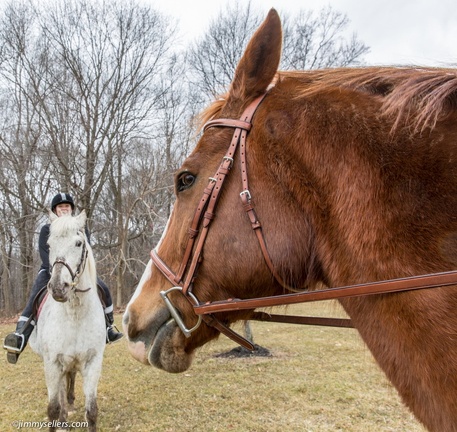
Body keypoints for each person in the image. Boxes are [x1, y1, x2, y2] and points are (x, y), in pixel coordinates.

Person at [4, 193, 123, 364]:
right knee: (34, 297)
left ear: (71, 209)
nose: (64, 208)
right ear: (55, 210)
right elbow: (45, 253)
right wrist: (56, 271)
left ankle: (109, 327)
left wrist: (75, 271)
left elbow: (85, 252)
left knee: (103, 289)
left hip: (77, 272)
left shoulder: (80, 228)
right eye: (60, 207)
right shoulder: (47, 229)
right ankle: (19, 336)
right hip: (50, 270)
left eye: (67, 206)